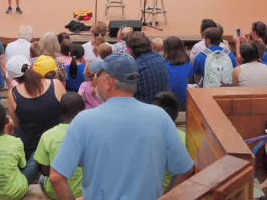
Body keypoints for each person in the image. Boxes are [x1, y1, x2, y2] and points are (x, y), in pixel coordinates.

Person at [49, 53, 194, 200]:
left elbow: (56, 177)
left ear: (108, 81)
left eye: (97, 75)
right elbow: (184, 170)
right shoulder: (160, 117)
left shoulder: (84, 120)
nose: (95, 80)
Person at [6, 54, 64, 183]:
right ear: (31, 67)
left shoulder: (13, 93)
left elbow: (17, 123)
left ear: (14, 77)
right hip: (55, 144)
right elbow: (65, 112)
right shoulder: (56, 84)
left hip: (30, 146)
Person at [36, 93, 85, 200]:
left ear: (61, 111)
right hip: (83, 192)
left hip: (55, 192)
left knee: (41, 179)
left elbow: (45, 171)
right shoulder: (90, 133)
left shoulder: (47, 135)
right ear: (81, 111)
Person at [127, 31, 170, 103]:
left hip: (146, 109)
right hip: (164, 106)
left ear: (131, 50)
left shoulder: (135, 67)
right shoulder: (160, 57)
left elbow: (126, 93)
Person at [163, 36, 193, 108]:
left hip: (168, 102)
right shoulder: (188, 62)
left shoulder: (163, 64)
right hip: (184, 100)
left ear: (166, 49)